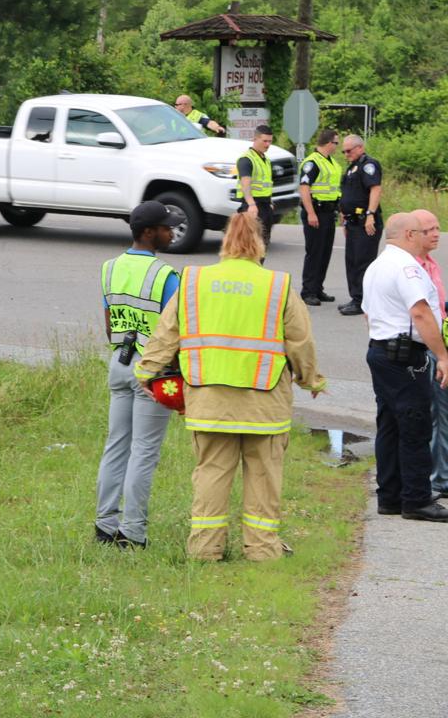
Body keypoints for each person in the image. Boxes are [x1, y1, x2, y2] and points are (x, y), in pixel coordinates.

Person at [136, 213, 327, 561]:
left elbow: (166, 332)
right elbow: (300, 342)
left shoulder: (194, 281)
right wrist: (310, 379)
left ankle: (205, 549)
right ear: (260, 244)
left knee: (211, 474)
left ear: (224, 242)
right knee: (264, 478)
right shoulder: (277, 285)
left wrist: (147, 372)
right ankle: (262, 550)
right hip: (264, 404)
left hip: (209, 400)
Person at [94, 201, 183, 549]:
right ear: (149, 232)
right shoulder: (165, 275)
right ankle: (133, 533)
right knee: (144, 452)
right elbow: (176, 330)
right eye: (166, 227)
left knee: (116, 446)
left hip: (119, 360)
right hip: (153, 370)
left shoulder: (109, 268)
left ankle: (105, 525)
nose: (171, 232)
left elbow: (108, 324)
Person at [362, 212, 448, 521]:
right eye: (422, 232)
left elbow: (368, 314)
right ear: (409, 234)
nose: (427, 236)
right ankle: (416, 499)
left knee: (390, 424)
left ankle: (390, 496)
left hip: (382, 351)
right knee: (415, 424)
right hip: (404, 357)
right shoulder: (406, 267)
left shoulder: (377, 266)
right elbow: (421, 313)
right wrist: (442, 355)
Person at [411, 210, 448, 499]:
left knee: (440, 412)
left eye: (437, 228)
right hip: (428, 348)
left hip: (439, 345)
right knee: (438, 413)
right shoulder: (412, 267)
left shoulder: (430, 264)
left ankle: (440, 474)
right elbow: (421, 314)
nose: (436, 234)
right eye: (429, 230)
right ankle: (439, 479)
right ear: (413, 234)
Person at [338, 134, 383, 316]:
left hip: (366, 223)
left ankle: (362, 301)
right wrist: (344, 215)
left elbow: (375, 189)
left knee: (363, 263)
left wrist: (370, 215)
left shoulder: (369, 165)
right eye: (343, 151)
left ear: (360, 148)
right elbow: (349, 194)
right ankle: (355, 298)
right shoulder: (352, 168)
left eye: (349, 151)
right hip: (353, 223)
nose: (346, 154)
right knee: (352, 262)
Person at [297, 129, 343, 306]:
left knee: (325, 252)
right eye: (336, 143)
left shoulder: (331, 163)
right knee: (314, 252)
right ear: (328, 143)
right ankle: (308, 291)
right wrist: (310, 213)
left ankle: (317, 288)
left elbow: (333, 190)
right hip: (315, 212)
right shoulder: (312, 162)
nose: (337, 147)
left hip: (328, 212)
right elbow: (304, 188)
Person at [236, 125, 276, 248]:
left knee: (263, 245)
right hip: (252, 207)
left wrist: (270, 201)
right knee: (250, 246)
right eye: (264, 141)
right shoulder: (246, 159)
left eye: (270, 141)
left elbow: (266, 184)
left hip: (265, 205)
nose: (267, 144)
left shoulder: (266, 160)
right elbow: (245, 183)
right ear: (255, 139)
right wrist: (251, 204)